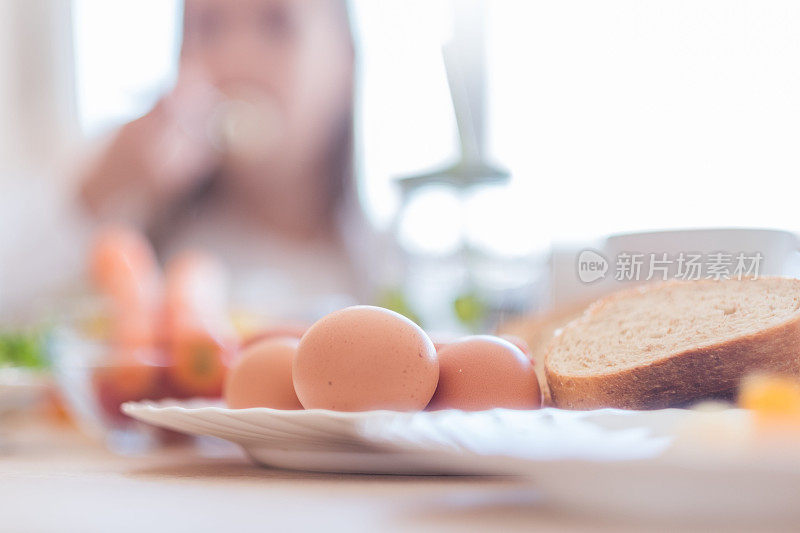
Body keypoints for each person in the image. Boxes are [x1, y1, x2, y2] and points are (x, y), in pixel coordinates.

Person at [78, 0, 372, 319]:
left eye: (277, 24)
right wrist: (99, 189)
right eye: (207, 27)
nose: (236, 62)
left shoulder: (394, 264)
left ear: (347, 59)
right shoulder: (136, 247)